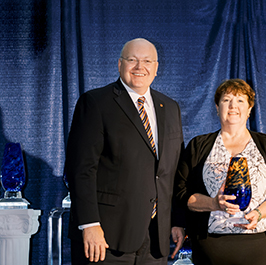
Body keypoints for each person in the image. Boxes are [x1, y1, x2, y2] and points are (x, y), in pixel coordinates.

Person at [65, 38, 185, 264]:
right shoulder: (95, 102)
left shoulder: (169, 107)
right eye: (132, 60)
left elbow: (173, 171)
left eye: (147, 61)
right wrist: (89, 224)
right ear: (120, 64)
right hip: (106, 238)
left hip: (155, 239)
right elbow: (81, 169)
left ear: (156, 68)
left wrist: (177, 221)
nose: (140, 67)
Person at [174, 79, 266, 265]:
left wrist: (260, 213)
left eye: (240, 100)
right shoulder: (198, 146)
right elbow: (180, 192)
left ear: (250, 108)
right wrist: (213, 203)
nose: (233, 106)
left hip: (261, 245)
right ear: (217, 107)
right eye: (226, 100)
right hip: (210, 246)